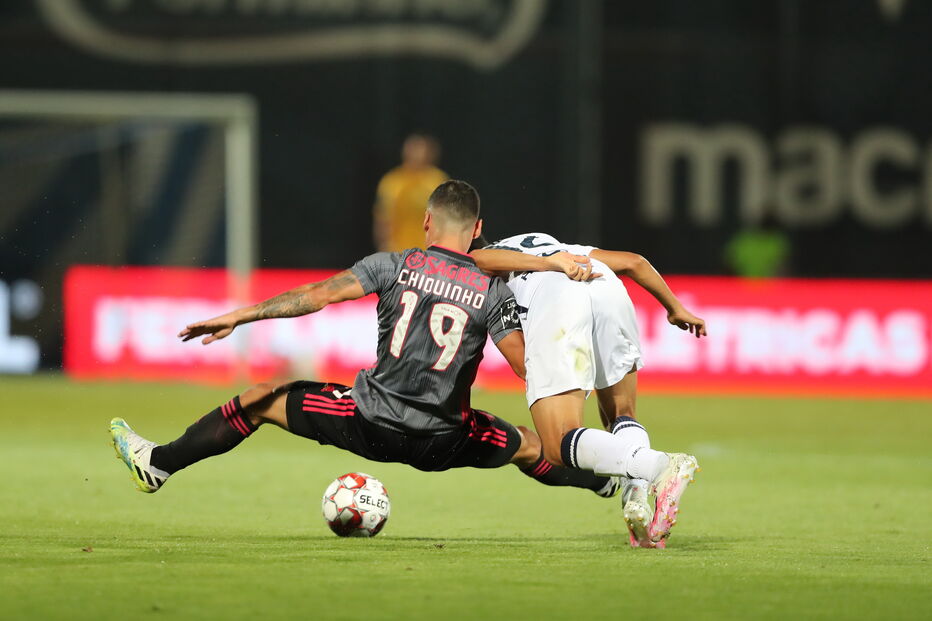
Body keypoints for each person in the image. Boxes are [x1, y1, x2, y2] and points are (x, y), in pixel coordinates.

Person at [109, 182, 621, 509]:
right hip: (443, 439)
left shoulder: (392, 265)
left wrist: (241, 315)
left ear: (426, 221)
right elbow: (524, 366)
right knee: (530, 445)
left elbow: (315, 297)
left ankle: (159, 463)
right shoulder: (493, 289)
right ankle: (606, 481)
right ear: (479, 230)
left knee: (261, 399)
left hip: (369, 422)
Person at [472, 233, 707, 548]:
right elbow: (633, 262)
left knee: (556, 444)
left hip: (557, 297)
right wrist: (674, 308)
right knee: (621, 413)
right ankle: (635, 496)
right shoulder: (547, 242)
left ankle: (662, 466)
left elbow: (476, 261)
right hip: (605, 285)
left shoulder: (481, 264)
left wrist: (548, 371)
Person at [373, 134, 448, 253]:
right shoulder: (392, 181)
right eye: (413, 150)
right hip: (399, 253)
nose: (416, 155)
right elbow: (383, 219)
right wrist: (385, 246)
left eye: (420, 150)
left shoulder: (438, 181)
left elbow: (447, 219)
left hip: (430, 254)